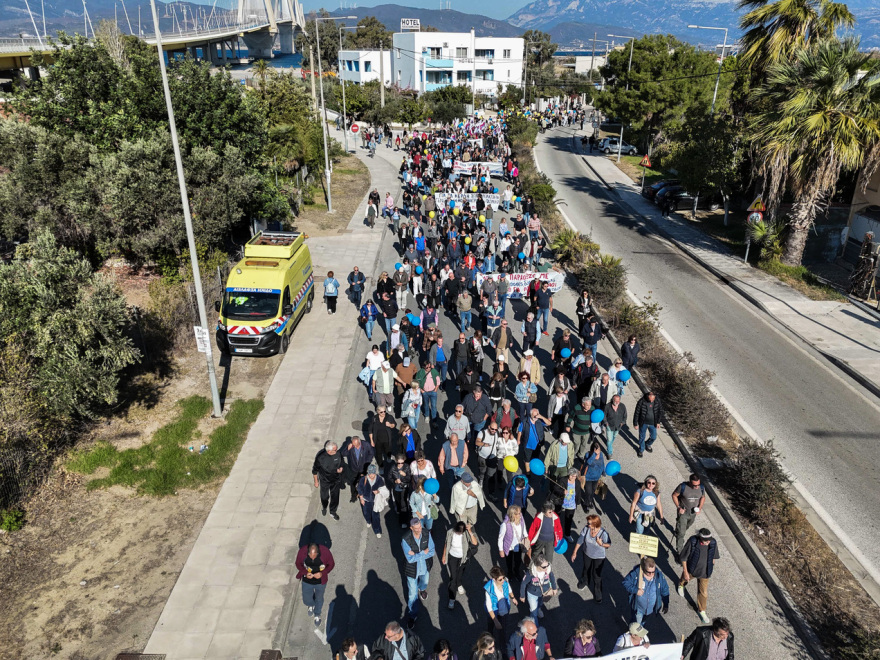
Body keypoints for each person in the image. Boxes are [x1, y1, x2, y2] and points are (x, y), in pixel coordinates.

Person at [678, 528, 720, 624]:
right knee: (685, 579)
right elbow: (683, 558)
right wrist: (685, 571)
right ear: (700, 538)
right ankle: (681, 585)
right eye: (706, 540)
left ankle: (702, 610)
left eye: (709, 540)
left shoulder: (713, 542)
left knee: (704, 593)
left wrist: (712, 565)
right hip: (692, 569)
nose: (708, 542)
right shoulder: (693, 541)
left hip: (705, 573)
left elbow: (714, 556)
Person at [401, 518, 436, 628]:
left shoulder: (426, 533)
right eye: (417, 528)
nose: (420, 529)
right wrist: (422, 553)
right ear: (411, 528)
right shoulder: (405, 540)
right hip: (412, 570)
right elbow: (410, 559)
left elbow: (432, 551)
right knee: (412, 594)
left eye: (420, 527)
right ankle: (412, 615)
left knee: (424, 582)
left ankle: (422, 589)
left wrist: (416, 554)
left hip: (424, 567)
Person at [572, 514, 611, 602]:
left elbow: (608, 544)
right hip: (587, 554)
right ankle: (585, 581)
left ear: (595, 524)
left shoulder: (603, 533)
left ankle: (598, 591)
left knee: (596, 575)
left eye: (589, 523)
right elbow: (580, 539)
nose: (587, 524)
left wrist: (601, 544)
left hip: (599, 557)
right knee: (586, 569)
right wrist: (574, 552)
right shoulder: (586, 529)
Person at [295, 542, 335, 627]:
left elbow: (331, 564)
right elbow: (298, 563)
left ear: (318, 552)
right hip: (307, 581)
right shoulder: (302, 551)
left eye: (314, 556)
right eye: (310, 555)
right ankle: (310, 605)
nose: (312, 558)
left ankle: (317, 614)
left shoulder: (325, 552)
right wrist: (305, 572)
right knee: (306, 598)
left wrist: (322, 573)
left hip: (320, 582)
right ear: (308, 552)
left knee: (319, 598)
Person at [442, 521, 479, 609]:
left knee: (460, 573)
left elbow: (475, 543)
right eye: (457, 532)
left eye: (459, 533)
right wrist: (444, 555)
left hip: (463, 558)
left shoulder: (466, 534)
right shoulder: (450, 532)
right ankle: (452, 598)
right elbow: (446, 544)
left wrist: (470, 531)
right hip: (452, 557)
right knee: (453, 578)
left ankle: (459, 584)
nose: (458, 534)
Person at [622, 557, 670, 625]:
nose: (651, 574)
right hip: (638, 609)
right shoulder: (636, 574)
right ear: (644, 569)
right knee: (636, 625)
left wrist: (666, 604)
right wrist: (636, 590)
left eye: (653, 572)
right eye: (649, 572)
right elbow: (625, 582)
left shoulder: (659, 576)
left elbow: (665, 590)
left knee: (642, 624)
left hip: (650, 610)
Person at [673, 473, 707, 556]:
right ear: (690, 482)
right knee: (681, 533)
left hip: (693, 513)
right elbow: (674, 495)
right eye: (695, 485)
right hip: (683, 512)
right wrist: (678, 507)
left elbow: (703, 497)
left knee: (687, 526)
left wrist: (700, 508)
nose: (697, 487)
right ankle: (680, 552)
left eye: (698, 484)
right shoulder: (682, 487)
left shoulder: (701, 488)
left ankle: (678, 530)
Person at [312, 440, 344, 520]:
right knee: (324, 496)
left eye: (337, 449)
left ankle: (333, 511)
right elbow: (314, 470)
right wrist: (316, 481)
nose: (337, 451)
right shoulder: (320, 458)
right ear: (329, 451)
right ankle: (324, 506)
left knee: (335, 497)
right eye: (335, 450)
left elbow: (342, 463)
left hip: (336, 480)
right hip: (325, 481)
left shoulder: (338, 454)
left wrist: (341, 468)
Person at [498, 505, 529, 581]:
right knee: (509, 560)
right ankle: (510, 573)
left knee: (518, 560)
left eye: (520, 512)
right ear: (513, 515)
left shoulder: (521, 519)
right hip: (509, 545)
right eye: (518, 513)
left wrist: (526, 536)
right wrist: (501, 550)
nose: (520, 514)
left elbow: (523, 527)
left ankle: (516, 571)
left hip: (518, 543)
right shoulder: (505, 524)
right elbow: (500, 538)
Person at [341, 435, 375, 502]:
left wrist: (367, 462)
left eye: (356, 445)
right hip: (353, 469)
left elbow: (371, 453)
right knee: (353, 483)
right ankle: (354, 496)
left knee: (364, 482)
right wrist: (348, 449)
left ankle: (363, 494)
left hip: (363, 468)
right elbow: (342, 454)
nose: (355, 447)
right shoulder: (350, 445)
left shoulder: (366, 445)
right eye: (353, 445)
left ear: (360, 442)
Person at [358, 464, 386, 538]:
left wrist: (378, 491)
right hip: (366, 500)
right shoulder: (363, 479)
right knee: (366, 513)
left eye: (373, 474)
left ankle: (377, 530)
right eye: (370, 473)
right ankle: (368, 521)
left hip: (375, 501)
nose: (371, 475)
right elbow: (360, 489)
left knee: (376, 516)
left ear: (375, 473)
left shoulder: (379, 479)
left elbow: (383, 489)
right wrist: (361, 498)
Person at [387, 452, 413, 528]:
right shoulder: (393, 468)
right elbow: (389, 477)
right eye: (399, 463)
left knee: (403, 504)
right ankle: (400, 511)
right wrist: (394, 481)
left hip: (404, 488)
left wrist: (404, 476)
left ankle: (403, 521)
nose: (401, 464)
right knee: (398, 502)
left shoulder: (407, 467)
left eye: (402, 462)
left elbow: (409, 478)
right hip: (396, 488)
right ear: (396, 461)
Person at [633, 391, 663, 457]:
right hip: (643, 423)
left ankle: (648, 444)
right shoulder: (641, 401)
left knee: (653, 437)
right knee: (642, 437)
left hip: (653, 423)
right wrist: (635, 423)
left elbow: (660, 412)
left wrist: (658, 422)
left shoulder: (657, 401)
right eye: (650, 399)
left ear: (654, 397)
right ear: (648, 396)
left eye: (653, 399)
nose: (651, 401)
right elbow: (637, 413)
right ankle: (641, 450)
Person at [476, 422, 502, 490]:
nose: (494, 431)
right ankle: (481, 479)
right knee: (482, 470)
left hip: (492, 457)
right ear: (489, 427)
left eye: (495, 429)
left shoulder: (497, 433)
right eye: (492, 429)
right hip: (482, 456)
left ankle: (490, 490)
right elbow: (477, 442)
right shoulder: (482, 433)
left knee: (491, 474)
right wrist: (485, 444)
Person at [581, 441, 605, 512]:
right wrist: (594, 454)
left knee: (593, 491)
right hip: (588, 477)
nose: (599, 451)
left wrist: (603, 472)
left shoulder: (601, 455)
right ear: (593, 449)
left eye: (599, 449)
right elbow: (588, 462)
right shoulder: (588, 454)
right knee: (588, 492)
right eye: (597, 450)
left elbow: (602, 463)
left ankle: (589, 501)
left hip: (596, 477)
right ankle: (586, 504)